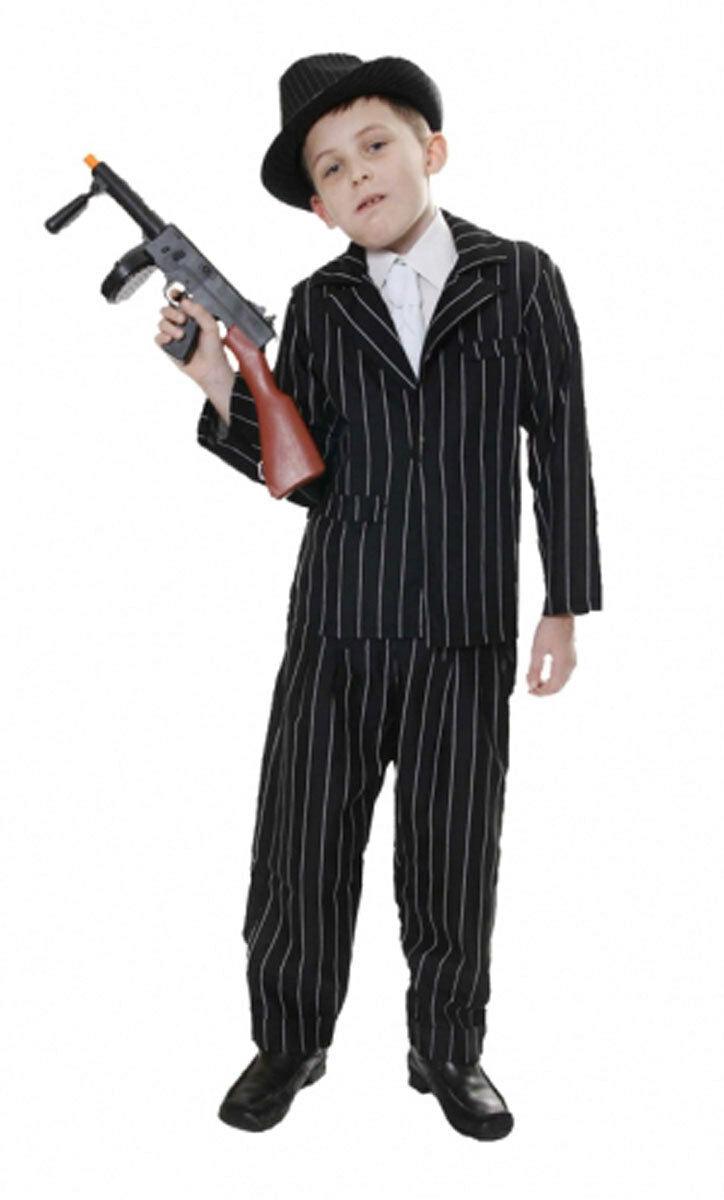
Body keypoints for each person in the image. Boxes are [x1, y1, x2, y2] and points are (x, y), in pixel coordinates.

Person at [155, 53, 603, 1140]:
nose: (357, 173)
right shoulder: (316, 306)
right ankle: (289, 1040)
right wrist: (216, 379)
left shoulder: (521, 277)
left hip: (465, 626)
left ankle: (446, 1048)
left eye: (374, 146)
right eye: (330, 168)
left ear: (428, 150)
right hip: (337, 623)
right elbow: (302, 472)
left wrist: (564, 603)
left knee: (452, 855)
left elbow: (560, 444)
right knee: (301, 846)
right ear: (317, 208)